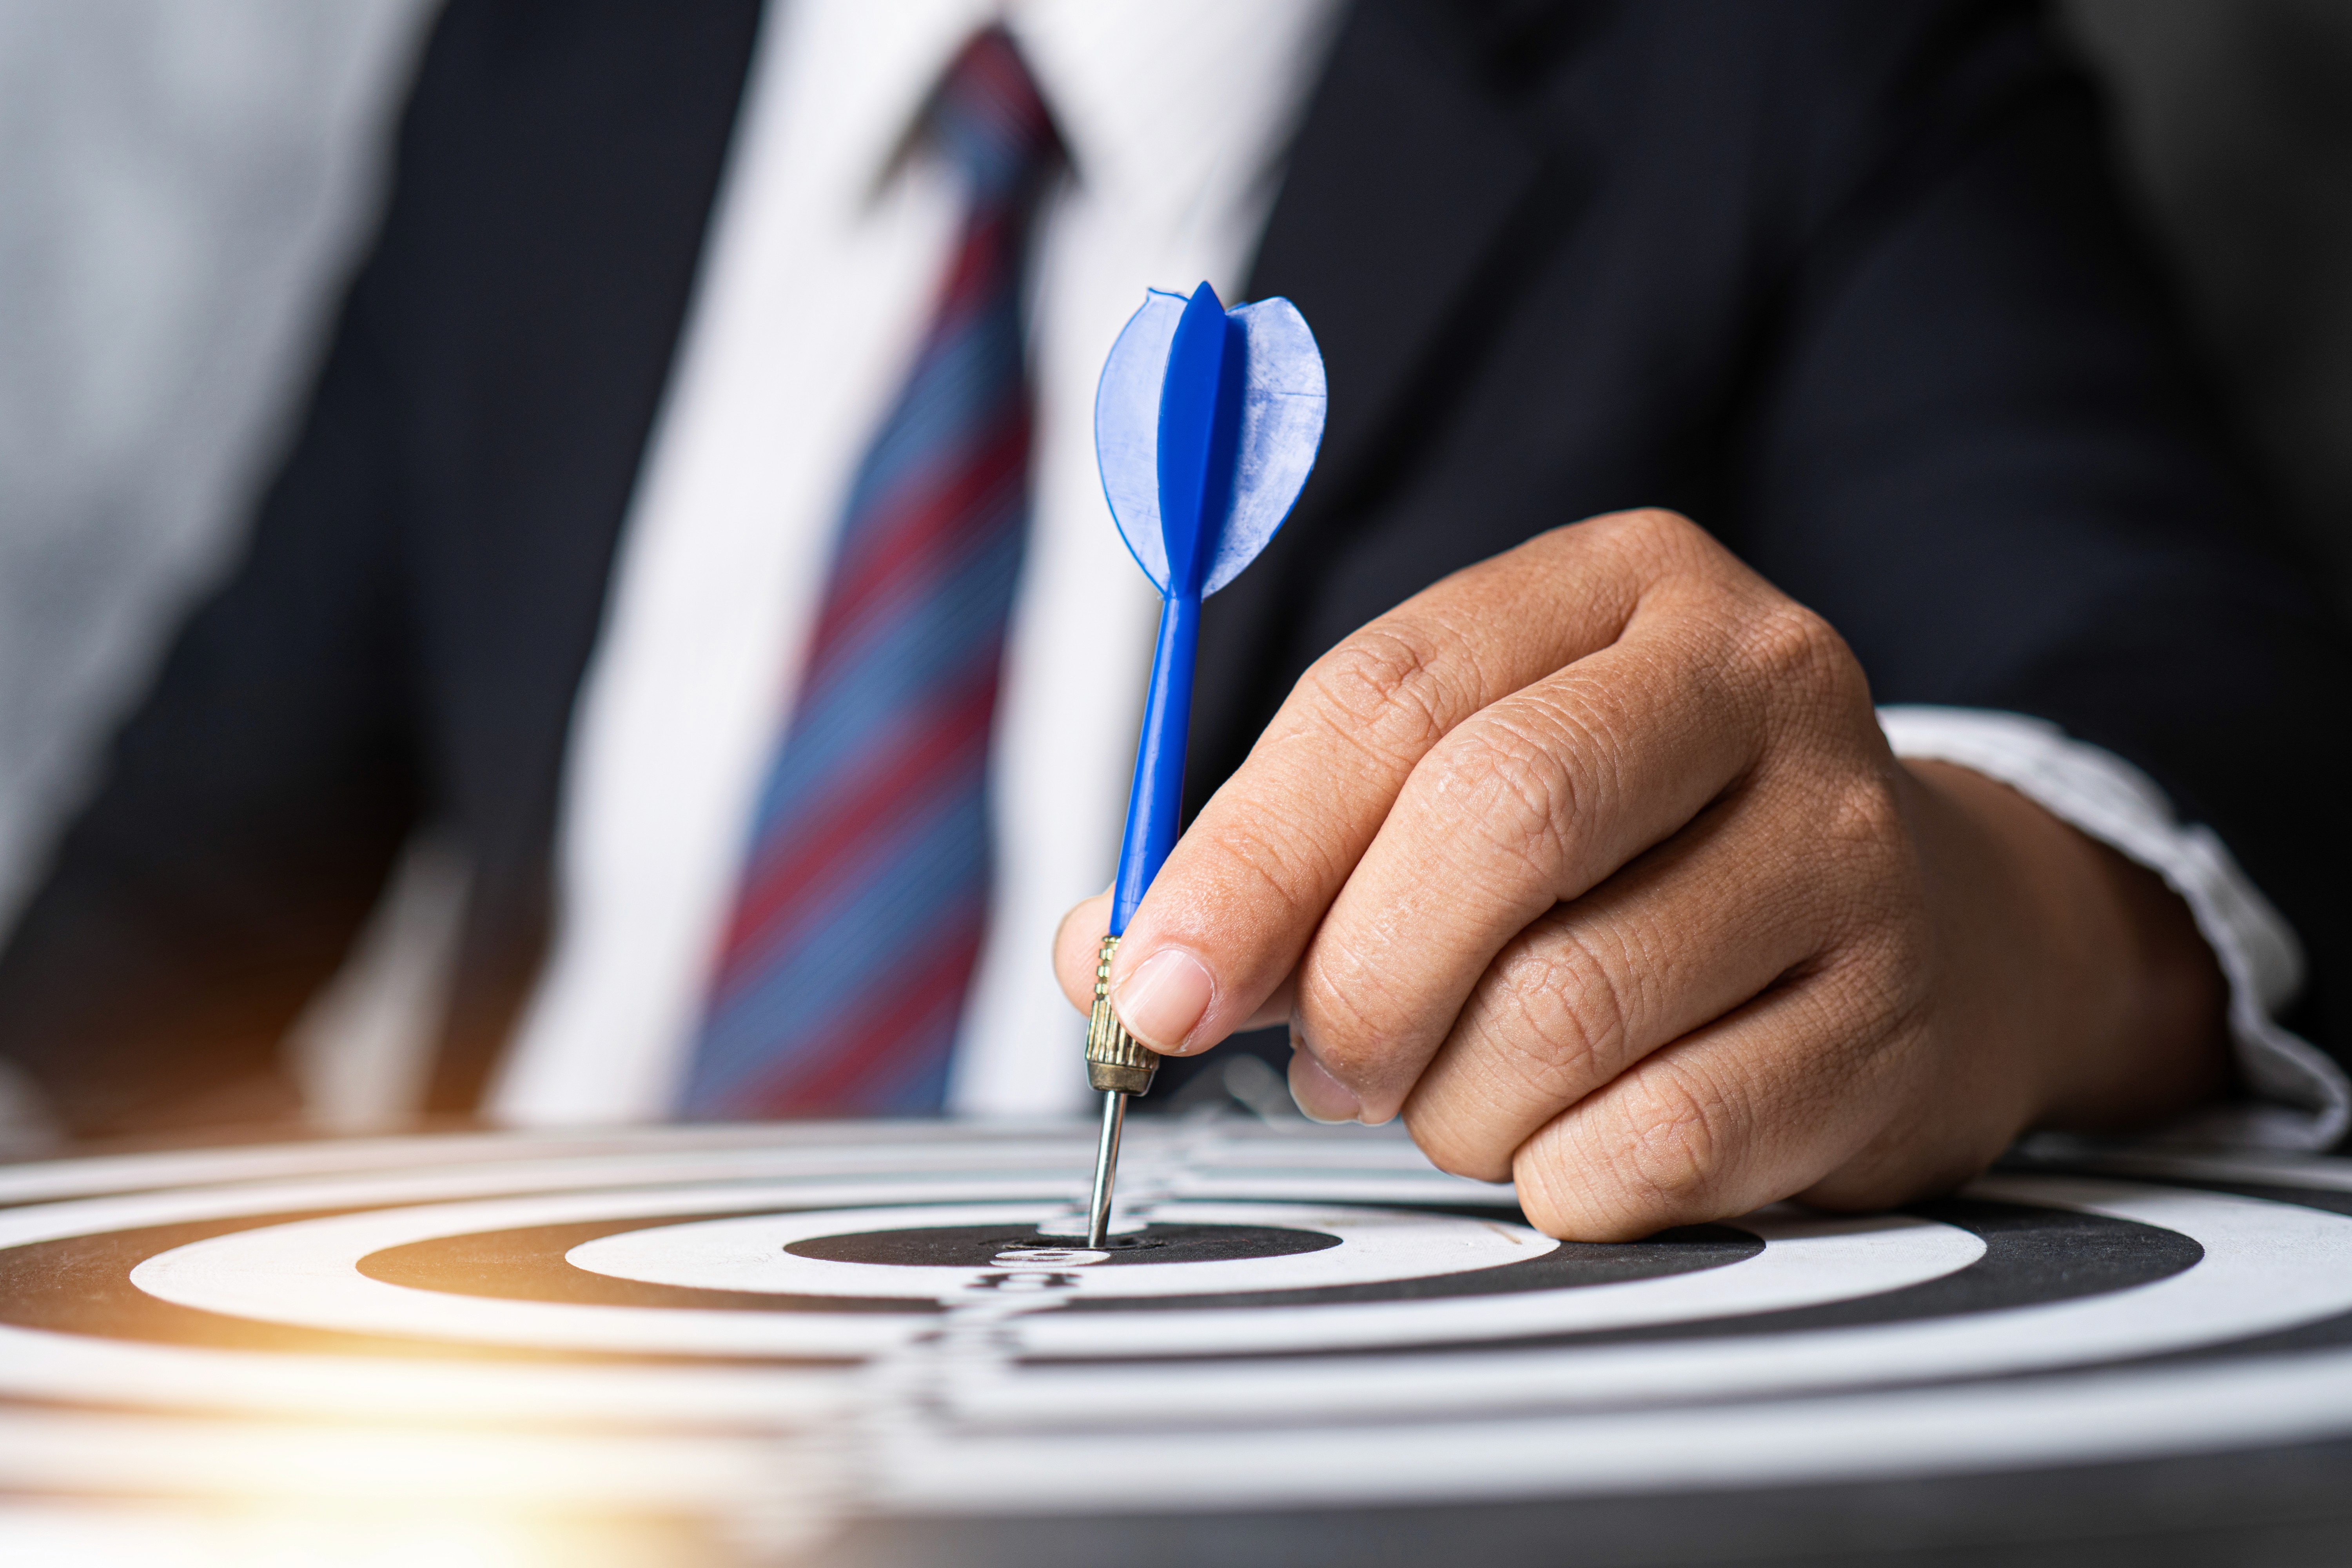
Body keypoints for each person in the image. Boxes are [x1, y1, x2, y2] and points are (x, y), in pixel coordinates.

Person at [0, 0, 2344, 1242]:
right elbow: (143, 940)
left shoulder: (1782, 55)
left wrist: (2010, 921)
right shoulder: (555, 64)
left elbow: (2174, 704)